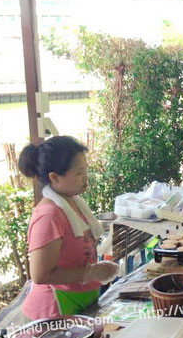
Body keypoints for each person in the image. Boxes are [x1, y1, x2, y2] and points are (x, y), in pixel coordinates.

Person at [17, 136, 119, 320]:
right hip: (52, 313)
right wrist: (90, 273)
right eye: (79, 173)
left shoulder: (73, 203)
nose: (85, 179)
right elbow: (40, 275)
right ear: (55, 177)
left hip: (79, 301)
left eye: (86, 171)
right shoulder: (48, 216)